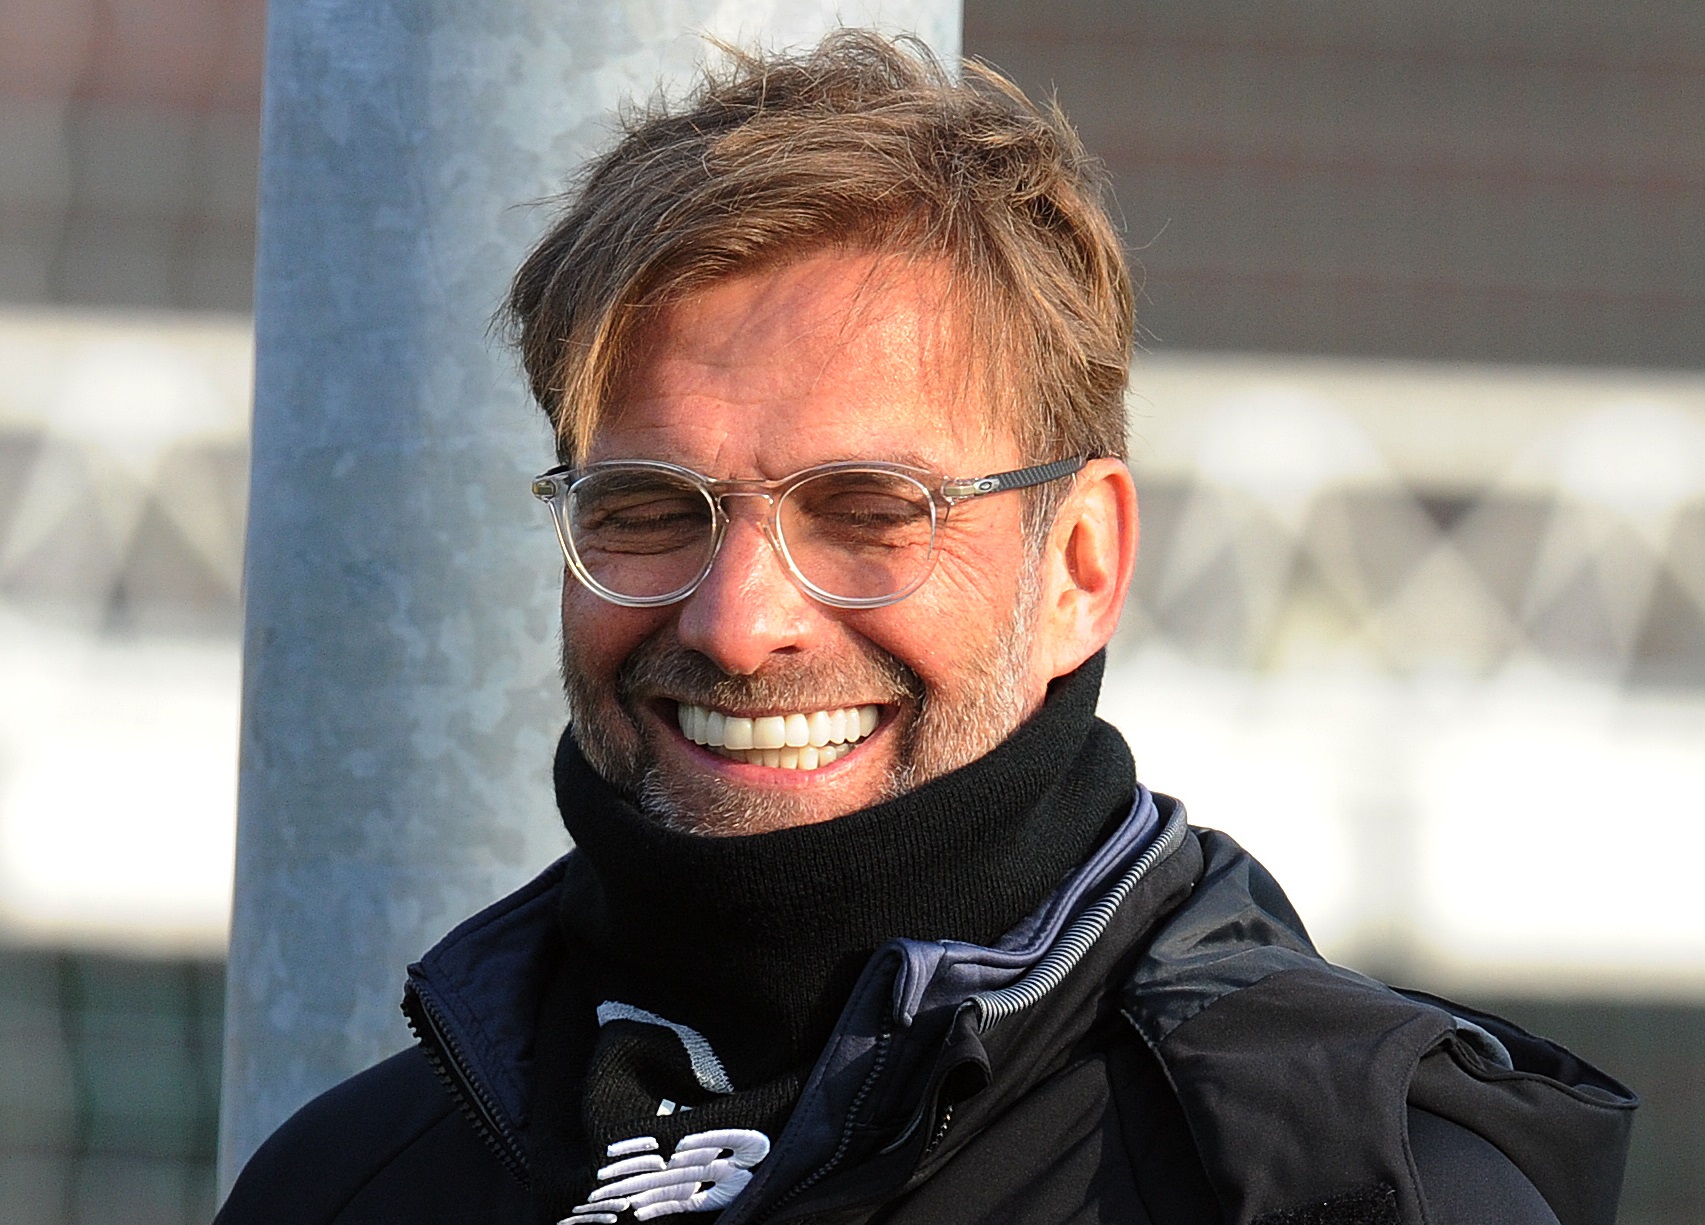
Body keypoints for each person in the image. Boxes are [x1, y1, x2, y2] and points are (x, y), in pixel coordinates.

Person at [217, 31, 1635, 1225]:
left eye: (866, 511)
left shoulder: (1342, 1185)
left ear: (1079, 563)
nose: (739, 621)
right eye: (649, 509)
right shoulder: (350, 1183)